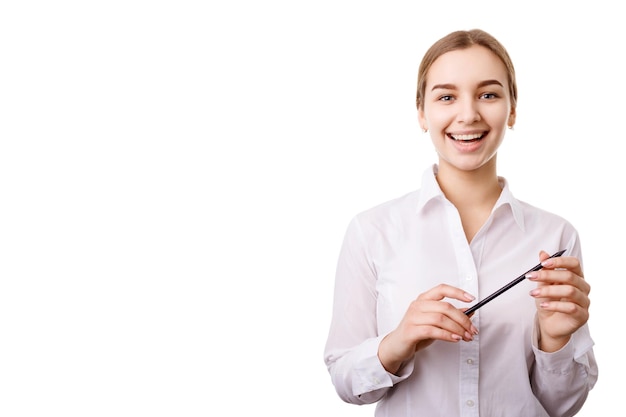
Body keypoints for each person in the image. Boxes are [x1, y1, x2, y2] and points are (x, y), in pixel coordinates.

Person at [323, 29, 598, 417]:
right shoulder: (372, 231)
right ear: (421, 112)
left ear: (513, 109)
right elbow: (345, 382)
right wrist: (397, 342)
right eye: (446, 96)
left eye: (488, 94)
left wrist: (555, 340)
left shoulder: (555, 238)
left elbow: (561, 406)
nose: (468, 114)